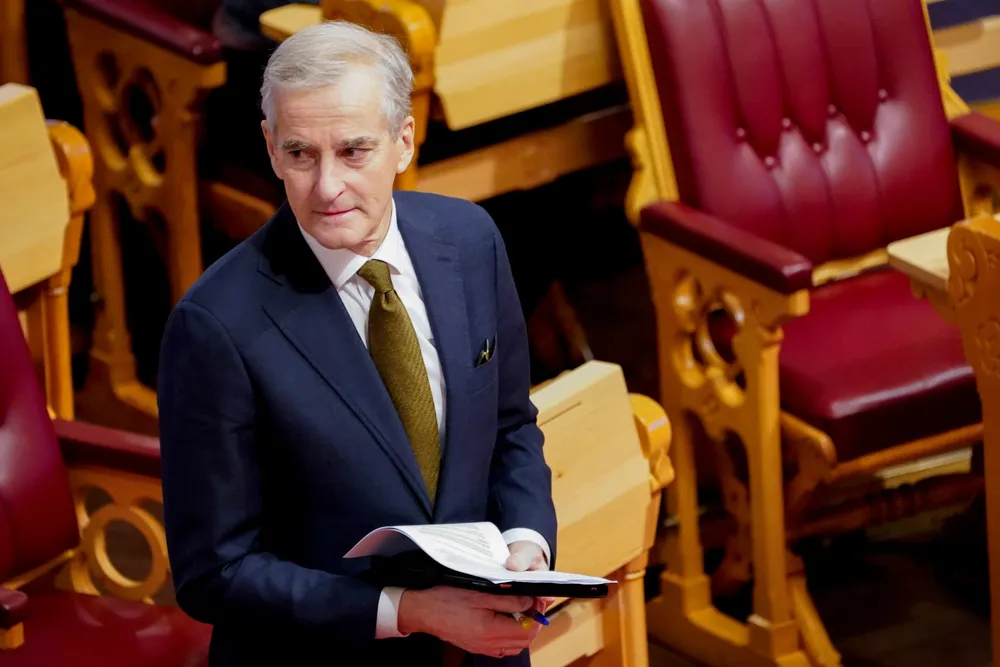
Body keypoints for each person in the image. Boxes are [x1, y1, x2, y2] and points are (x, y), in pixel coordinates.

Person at [157, 19, 558, 667]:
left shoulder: (471, 239)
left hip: (489, 648)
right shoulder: (214, 325)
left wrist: (527, 542)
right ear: (270, 148)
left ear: (404, 141)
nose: (327, 187)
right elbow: (215, 570)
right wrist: (408, 611)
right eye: (300, 154)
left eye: (353, 151)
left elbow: (512, 426)